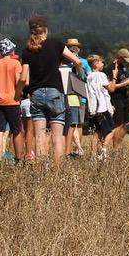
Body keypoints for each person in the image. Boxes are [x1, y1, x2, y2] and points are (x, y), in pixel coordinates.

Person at [20, 15, 83, 169]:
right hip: (55, 93)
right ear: (46, 29)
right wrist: (78, 76)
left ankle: (42, 170)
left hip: (36, 94)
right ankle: (58, 170)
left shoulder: (27, 51)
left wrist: (18, 93)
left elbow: (23, 78)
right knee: (57, 138)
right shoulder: (56, 44)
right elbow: (77, 61)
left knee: (40, 137)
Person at [0, 39, 25, 163]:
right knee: (16, 130)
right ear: (10, 50)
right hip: (13, 100)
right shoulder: (15, 64)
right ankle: (18, 157)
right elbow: (17, 81)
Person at [85, 54, 117, 158]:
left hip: (93, 108)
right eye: (101, 62)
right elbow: (111, 89)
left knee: (98, 132)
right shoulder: (101, 75)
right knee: (112, 130)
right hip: (102, 107)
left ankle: (93, 154)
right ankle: (104, 150)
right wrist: (114, 76)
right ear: (95, 64)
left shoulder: (89, 77)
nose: (103, 64)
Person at [63, 38, 90, 157]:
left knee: (66, 123)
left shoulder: (62, 61)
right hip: (79, 94)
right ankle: (77, 147)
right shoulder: (83, 62)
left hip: (64, 93)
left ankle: (68, 147)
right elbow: (89, 76)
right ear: (78, 49)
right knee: (78, 123)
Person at [107, 49, 129, 151]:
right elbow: (110, 86)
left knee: (127, 123)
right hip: (115, 98)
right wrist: (125, 83)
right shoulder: (112, 68)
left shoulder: (122, 67)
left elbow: (122, 79)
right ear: (119, 57)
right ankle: (116, 147)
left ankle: (119, 143)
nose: (125, 62)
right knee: (118, 124)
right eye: (124, 59)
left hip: (124, 97)